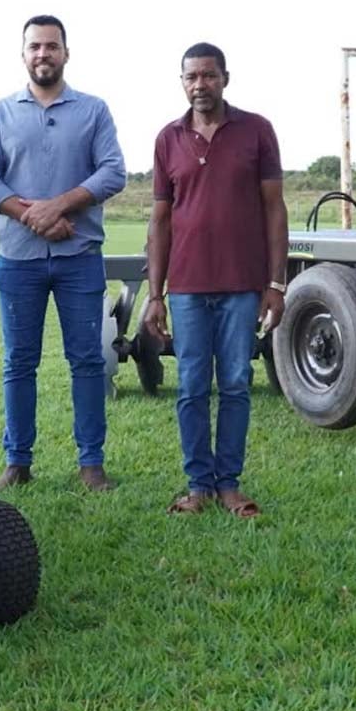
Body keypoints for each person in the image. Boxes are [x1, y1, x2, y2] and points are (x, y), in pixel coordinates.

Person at [0, 15, 126, 493]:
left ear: (66, 53)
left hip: (79, 255)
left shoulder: (93, 111)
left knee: (87, 360)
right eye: (35, 46)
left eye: (52, 46)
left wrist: (60, 205)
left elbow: (113, 172)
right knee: (19, 361)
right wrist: (30, 216)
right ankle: (17, 461)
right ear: (24, 55)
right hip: (17, 259)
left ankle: (91, 463)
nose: (43, 54)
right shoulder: (0, 113)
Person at [143, 42, 288, 517]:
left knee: (235, 383)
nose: (199, 85)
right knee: (190, 386)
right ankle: (198, 486)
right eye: (191, 77)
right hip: (185, 287)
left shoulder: (257, 131)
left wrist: (276, 283)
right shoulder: (168, 139)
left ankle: (229, 485)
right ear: (182, 82)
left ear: (226, 78)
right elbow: (160, 221)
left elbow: (274, 209)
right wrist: (155, 294)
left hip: (242, 286)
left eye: (208, 76)